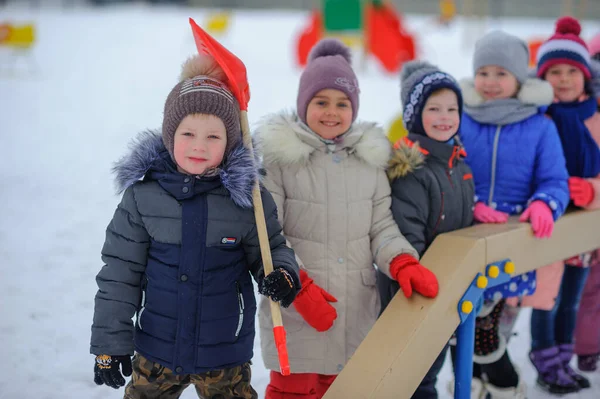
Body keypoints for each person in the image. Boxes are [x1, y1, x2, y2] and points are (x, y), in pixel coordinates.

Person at [90, 53, 301, 399]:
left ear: (231, 141)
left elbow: (271, 247)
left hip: (224, 354)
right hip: (157, 350)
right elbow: (119, 274)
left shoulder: (248, 200)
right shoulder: (143, 199)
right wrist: (108, 345)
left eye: (213, 137)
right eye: (188, 133)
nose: (199, 146)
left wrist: (281, 273)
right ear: (170, 134)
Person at [254, 38, 438, 399]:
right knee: (294, 392)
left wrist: (402, 261)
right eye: (320, 102)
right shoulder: (280, 161)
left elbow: (381, 226)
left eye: (342, 103)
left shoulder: (367, 163)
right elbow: (266, 234)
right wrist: (298, 288)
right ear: (303, 103)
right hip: (295, 313)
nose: (331, 112)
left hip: (353, 311)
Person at [459, 30, 570, 397]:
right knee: (461, 330)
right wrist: (469, 203)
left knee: (491, 336)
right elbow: (447, 172)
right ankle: (472, 383)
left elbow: (555, 179)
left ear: (519, 78)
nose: (490, 82)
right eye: (484, 72)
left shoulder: (539, 125)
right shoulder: (459, 117)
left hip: (512, 248)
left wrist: (544, 203)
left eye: (501, 73)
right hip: (463, 242)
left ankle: (505, 385)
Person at [378, 60, 474, 398]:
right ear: (415, 116)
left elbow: (461, 221)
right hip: (417, 292)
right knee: (418, 376)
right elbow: (408, 234)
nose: (445, 117)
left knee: (435, 367)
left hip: (450, 289)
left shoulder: (457, 163)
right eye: (434, 109)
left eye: (452, 108)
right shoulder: (412, 170)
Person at [529, 17, 600, 394]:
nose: (562, 78)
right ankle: (544, 359)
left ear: (585, 76)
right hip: (547, 224)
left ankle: (564, 359)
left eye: (571, 71)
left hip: (584, 229)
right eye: (553, 71)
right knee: (547, 298)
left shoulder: (595, 116)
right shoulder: (538, 118)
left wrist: (592, 191)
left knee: (571, 299)